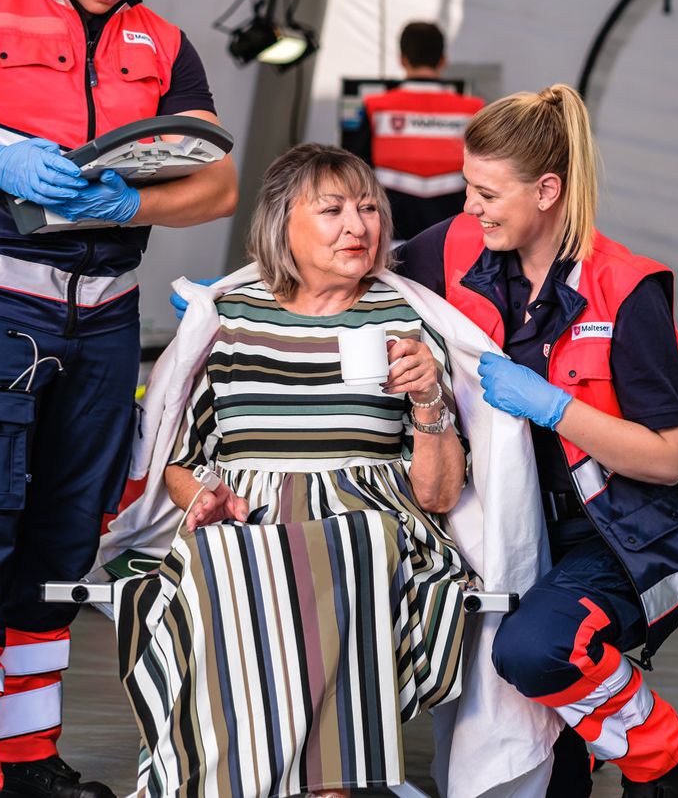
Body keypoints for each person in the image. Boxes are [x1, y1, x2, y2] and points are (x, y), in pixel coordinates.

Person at [0, 0, 238, 798]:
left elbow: (218, 184)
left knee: (67, 537)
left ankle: (29, 758)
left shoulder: (161, 42)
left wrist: (133, 205)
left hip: (105, 319)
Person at [397, 84, 678, 798]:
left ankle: (660, 754)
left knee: (536, 649)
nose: (469, 207)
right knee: (549, 773)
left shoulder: (627, 290)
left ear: (547, 190)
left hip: (628, 533)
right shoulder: (454, 246)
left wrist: (554, 407)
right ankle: (596, 744)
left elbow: (668, 461)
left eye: (486, 192)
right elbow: (350, 269)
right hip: (515, 526)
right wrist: (249, 295)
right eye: (466, 187)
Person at [124, 144, 469, 797]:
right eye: (334, 209)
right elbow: (182, 462)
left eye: (370, 209)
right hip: (249, 525)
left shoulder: (405, 318)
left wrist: (428, 398)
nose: (359, 227)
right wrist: (204, 496)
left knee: (336, 555)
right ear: (283, 222)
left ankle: (322, 786)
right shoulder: (229, 319)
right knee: (205, 577)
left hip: (373, 529)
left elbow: (441, 492)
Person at [342, 21, 484, 241]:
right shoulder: (473, 110)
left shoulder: (375, 107)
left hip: (389, 233)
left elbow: (351, 167)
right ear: (443, 60)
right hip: (453, 234)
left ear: (402, 60)